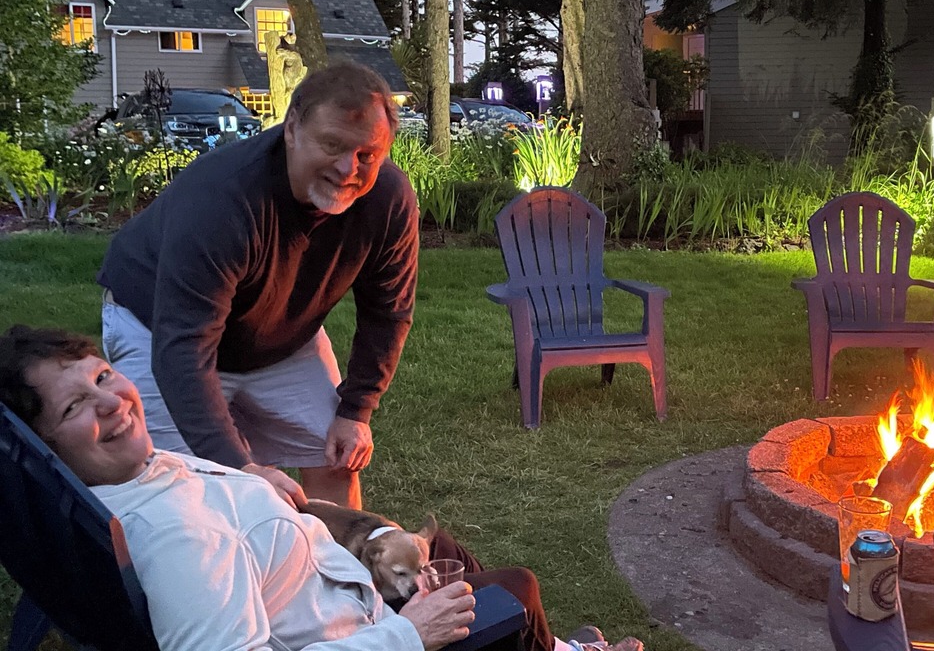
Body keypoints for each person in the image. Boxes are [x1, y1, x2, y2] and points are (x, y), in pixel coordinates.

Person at [0, 325, 643, 651]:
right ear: (48, 444)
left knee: (438, 546)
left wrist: (245, 478)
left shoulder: (117, 482)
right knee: (514, 590)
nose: (112, 403)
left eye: (104, 376)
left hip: (331, 591)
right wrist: (406, 634)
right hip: (355, 629)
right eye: (74, 407)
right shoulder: (181, 540)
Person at [97, 61, 418, 509]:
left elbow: (389, 312)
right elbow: (184, 348)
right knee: (185, 489)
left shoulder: (387, 199)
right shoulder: (223, 200)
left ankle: (341, 574)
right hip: (158, 327)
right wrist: (240, 467)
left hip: (280, 336)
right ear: (291, 130)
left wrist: (356, 410)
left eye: (368, 154)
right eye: (332, 145)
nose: (349, 168)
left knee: (336, 455)